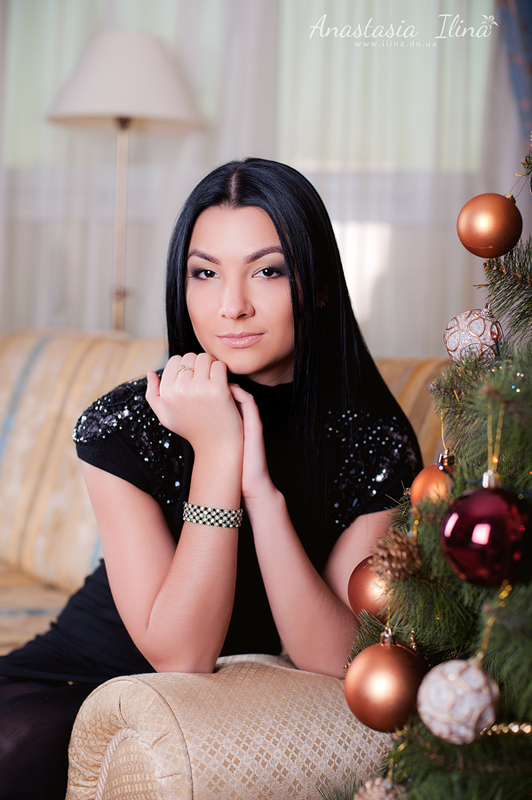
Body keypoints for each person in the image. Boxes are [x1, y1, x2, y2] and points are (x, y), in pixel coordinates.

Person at [0, 158, 421, 798]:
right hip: (74, 677)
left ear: (318, 287)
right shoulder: (125, 422)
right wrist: (217, 451)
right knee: (18, 744)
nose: (233, 305)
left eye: (268, 271)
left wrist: (260, 493)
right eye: (205, 273)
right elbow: (174, 653)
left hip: (183, 704)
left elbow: (336, 657)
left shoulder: (374, 441)